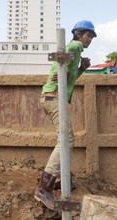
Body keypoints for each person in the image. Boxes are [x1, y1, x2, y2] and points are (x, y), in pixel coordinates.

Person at [34, 20, 94, 209]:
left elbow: (69, 78)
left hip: (52, 98)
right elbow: (68, 51)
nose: (90, 39)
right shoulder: (75, 46)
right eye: (88, 35)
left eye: (92, 36)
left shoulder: (74, 55)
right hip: (53, 98)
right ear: (78, 34)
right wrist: (67, 59)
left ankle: (61, 178)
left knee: (67, 139)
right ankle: (44, 188)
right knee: (66, 140)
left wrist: (81, 68)